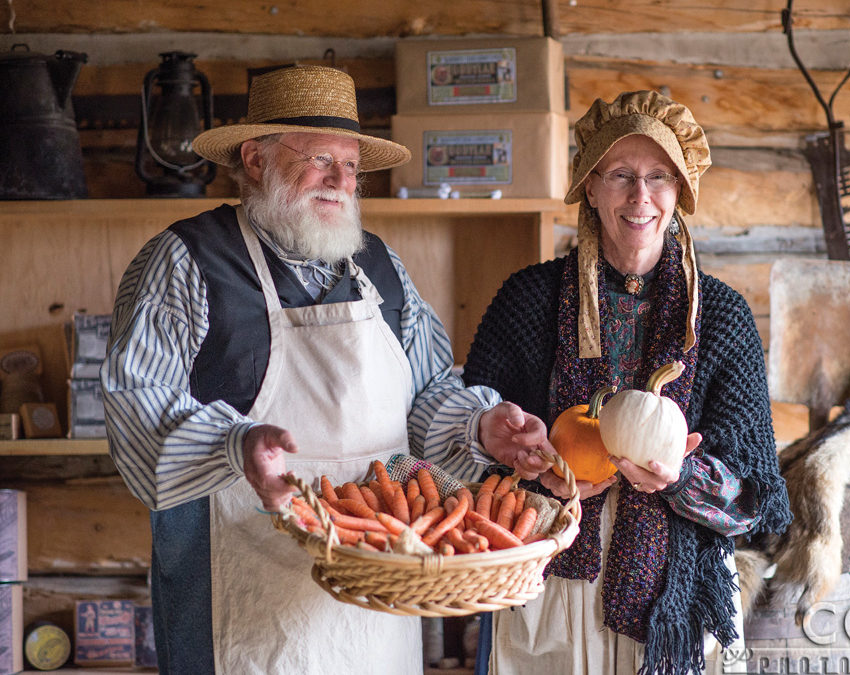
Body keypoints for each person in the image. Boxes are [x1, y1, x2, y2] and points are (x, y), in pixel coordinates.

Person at [100, 65, 552, 675]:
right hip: (241, 608)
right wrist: (237, 446)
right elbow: (136, 407)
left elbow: (428, 396)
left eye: (352, 167)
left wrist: (480, 429)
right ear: (255, 159)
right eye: (319, 159)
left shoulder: (382, 268)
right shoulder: (186, 261)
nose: (341, 181)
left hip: (376, 609)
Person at [462, 90, 792, 674]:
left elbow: (755, 501)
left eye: (659, 176)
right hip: (549, 588)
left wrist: (681, 476)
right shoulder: (528, 299)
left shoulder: (721, 316)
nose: (641, 197)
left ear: (680, 192)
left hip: (679, 599)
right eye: (620, 175)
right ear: (590, 187)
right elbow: (469, 455)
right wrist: (536, 479)